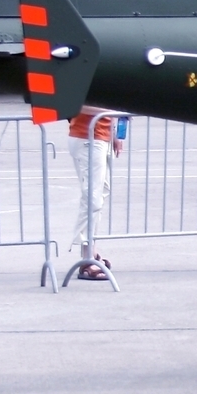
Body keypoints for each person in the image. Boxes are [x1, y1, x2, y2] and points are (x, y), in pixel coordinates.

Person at [68, 108, 123, 280]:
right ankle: (87, 258)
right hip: (87, 137)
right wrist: (112, 111)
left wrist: (114, 134)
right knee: (92, 199)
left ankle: (91, 250)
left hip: (99, 137)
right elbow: (76, 104)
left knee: (100, 194)